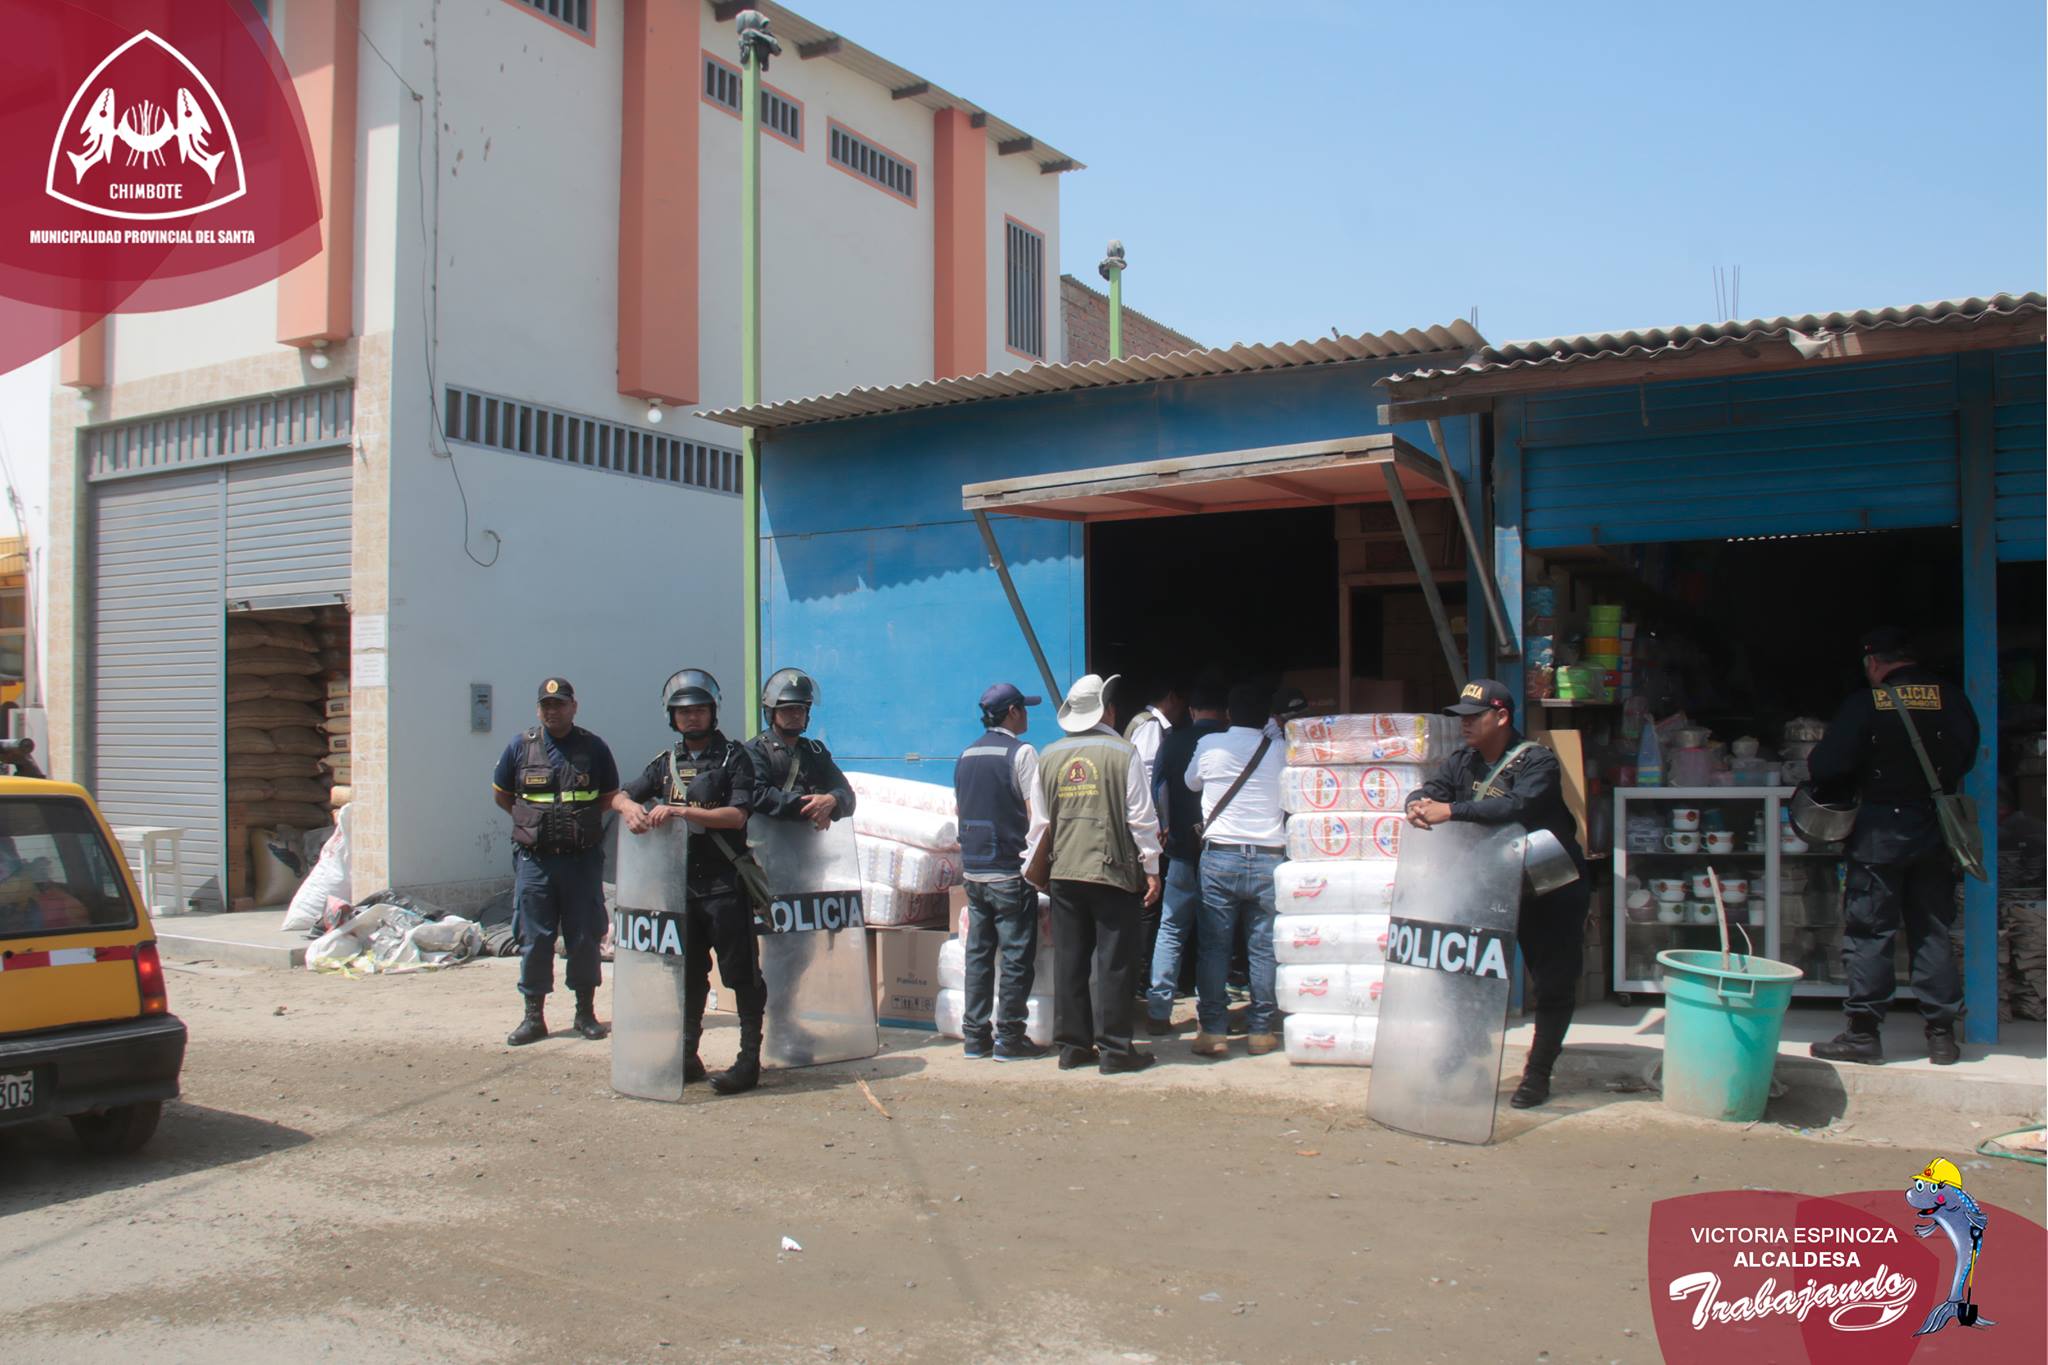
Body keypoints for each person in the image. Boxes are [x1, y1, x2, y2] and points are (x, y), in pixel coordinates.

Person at [1403, 679, 1588, 1108]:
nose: (1464, 725)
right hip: (1491, 884)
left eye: (1474, 717)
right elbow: (1433, 791)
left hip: (1549, 886)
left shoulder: (1538, 762)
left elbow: (1515, 808)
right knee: (1460, 969)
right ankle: (1466, 1044)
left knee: (1553, 983)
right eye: (1461, 717)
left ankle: (1538, 1073)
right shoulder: (1462, 761)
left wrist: (1451, 810)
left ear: (1501, 717)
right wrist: (1417, 802)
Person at [1805, 628, 1980, 1066]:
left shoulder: (1867, 703)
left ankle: (1864, 1035)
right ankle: (1942, 1036)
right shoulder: (1952, 698)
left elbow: (1826, 767)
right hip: (1936, 831)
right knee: (1932, 928)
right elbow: (1968, 755)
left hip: (1879, 832)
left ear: (1873, 663)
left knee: (1871, 931)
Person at [610, 669, 764, 1094]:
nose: (691, 718)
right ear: (672, 717)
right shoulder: (664, 763)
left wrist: (680, 812)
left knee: (742, 975)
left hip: (725, 885)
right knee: (688, 975)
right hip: (678, 889)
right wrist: (628, 810)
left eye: (698, 710)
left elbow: (736, 815)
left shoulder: (736, 758)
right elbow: (620, 794)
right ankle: (687, 1055)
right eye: (683, 712)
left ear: (712, 711)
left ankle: (749, 1059)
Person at [1027, 673, 1164, 1074]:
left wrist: (1033, 871)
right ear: (1107, 710)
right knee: (1114, 963)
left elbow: (1039, 823)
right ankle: (1116, 1051)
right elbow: (1141, 817)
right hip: (1113, 872)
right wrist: (1151, 867)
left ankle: (1072, 1047)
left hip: (1064, 872)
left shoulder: (1048, 755)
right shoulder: (1123, 753)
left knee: (1070, 960)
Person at [491, 677, 621, 1047]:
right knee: (535, 938)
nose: (553, 711)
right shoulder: (520, 747)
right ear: (538, 710)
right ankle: (534, 1016)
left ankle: (585, 1013)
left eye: (560, 704)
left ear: (573, 707)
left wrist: (574, 826)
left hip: (580, 861)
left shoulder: (593, 748)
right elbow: (504, 796)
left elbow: (608, 796)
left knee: (584, 937)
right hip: (536, 862)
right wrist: (537, 826)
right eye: (547, 706)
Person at [1185, 684, 1289, 1057]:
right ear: (1266, 718)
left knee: (1214, 947)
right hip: (1268, 857)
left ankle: (1213, 1031)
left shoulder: (1210, 745)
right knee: (1263, 948)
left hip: (1220, 857)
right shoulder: (1280, 749)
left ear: (1228, 714)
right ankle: (1261, 1031)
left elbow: (1190, 782)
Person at [953, 682, 1048, 1061]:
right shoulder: (1022, 753)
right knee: (1014, 957)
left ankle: (975, 1037)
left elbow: (960, 810)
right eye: (1023, 708)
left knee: (978, 955)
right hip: (1009, 872)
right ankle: (1009, 1038)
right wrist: (1038, 869)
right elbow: (1036, 816)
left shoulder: (966, 754)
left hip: (974, 873)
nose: (1027, 714)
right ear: (1012, 712)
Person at [1145, 684, 1228, 1035]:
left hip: (1179, 851)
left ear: (1192, 710)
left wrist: (1163, 826)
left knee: (1171, 929)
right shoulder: (1230, 742)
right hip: (1219, 853)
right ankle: (1211, 1015)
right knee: (1215, 937)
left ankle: (1159, 1011)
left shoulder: (1174, 742)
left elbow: (1155, 789)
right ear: (1224, 712)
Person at [1123, 677, 1188, 999]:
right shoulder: (1149, 726)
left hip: (1148, 828)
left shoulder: (1152, 725)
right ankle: (1140, 977)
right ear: (1172, 696)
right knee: (1148, 904)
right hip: (1147, 830)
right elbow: (1148, 781)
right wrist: (1157, 825)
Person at [745, 667, 856, 832]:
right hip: (770, 849)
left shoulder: (816, 751)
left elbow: (847, 795)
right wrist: (813, 808)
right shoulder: (756, 750)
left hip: (815, 848)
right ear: (771, 711)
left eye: (801, 709)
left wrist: (832, 800)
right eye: (788, 709)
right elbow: (759, 795)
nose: (796, 715)